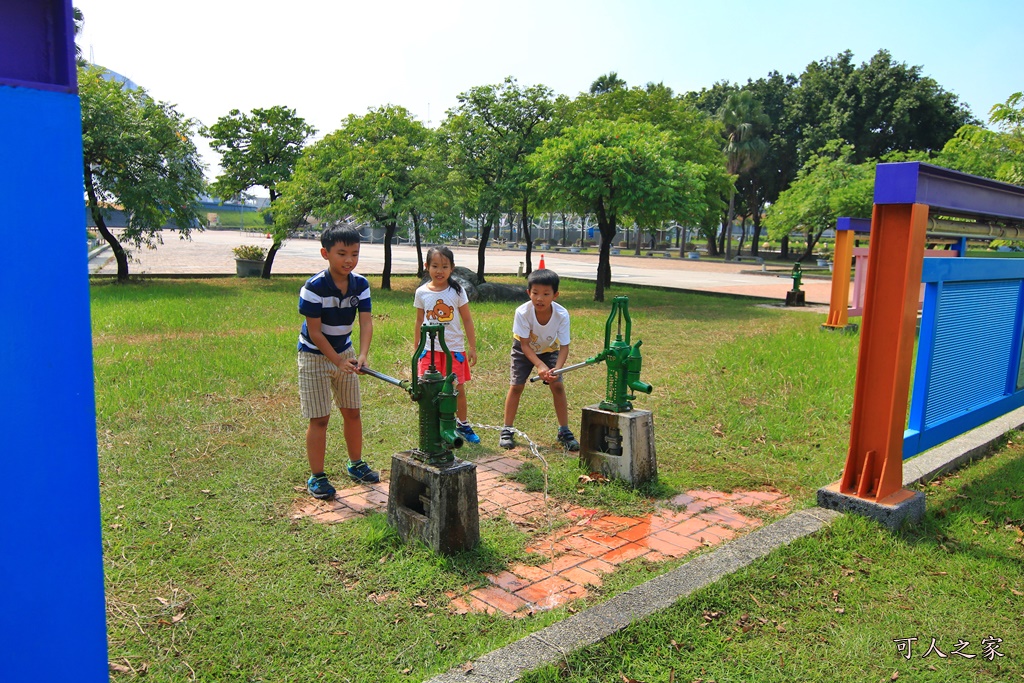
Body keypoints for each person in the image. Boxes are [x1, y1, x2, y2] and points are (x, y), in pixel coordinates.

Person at [297, 225, 379, 500]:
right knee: (319, 418)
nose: (349, 260)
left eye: (354, 254)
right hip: (314, 356)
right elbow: (316, 332)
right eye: (342, 253)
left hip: (346, 353)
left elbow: (366, 323)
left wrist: (362, 355)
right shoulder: (313, 288)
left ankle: (356, 464)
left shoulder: (361, 284)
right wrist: (335, 361)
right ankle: (317, 476)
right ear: (325, 253)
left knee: (352, 411)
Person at [500, 268, 580, 451]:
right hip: (523, 350)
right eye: (535, 293)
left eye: (546, 294)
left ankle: (564, 431)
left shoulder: (562, 314)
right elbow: (525, 345)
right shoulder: (522, 313)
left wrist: (556, 370)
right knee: (516, 385)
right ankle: (507, 429)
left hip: (550, 350)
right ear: (528, 293)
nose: (539, 298)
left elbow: (564, 347)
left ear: (555, 295)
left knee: (557, 385)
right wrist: (539, 365)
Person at [413, 246, 480, 444]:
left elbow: (467, 320)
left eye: (444, 266)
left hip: (453, 349)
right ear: (427, 267)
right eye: (435, 266)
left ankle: (463, 425)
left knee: (456, 388)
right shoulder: (421, 292)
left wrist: (472, 347)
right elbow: (419, 321)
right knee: (429, 388)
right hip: (429, 350)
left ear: (452, 268)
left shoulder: (457, 291)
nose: (439, 271)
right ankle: (435, 427)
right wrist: (417, 345)